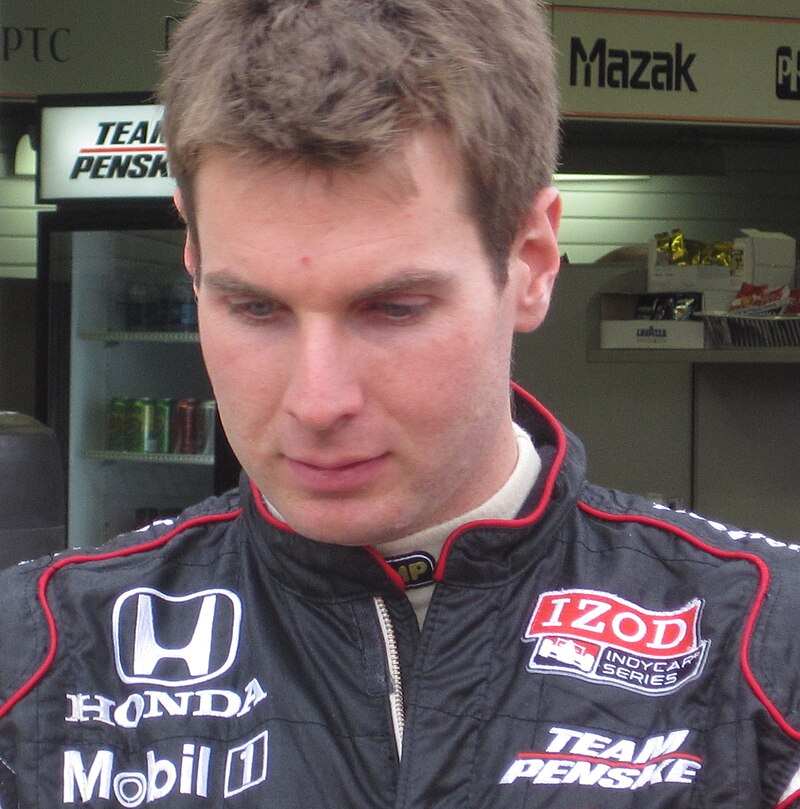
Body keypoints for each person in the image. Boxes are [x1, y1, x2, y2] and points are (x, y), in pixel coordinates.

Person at [1, 0, 800, 806]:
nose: (317, 402)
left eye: (393, 309)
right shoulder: (38, 658)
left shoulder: (765, 647)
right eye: (256, 309)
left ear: (531, 261)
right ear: (193, 262)